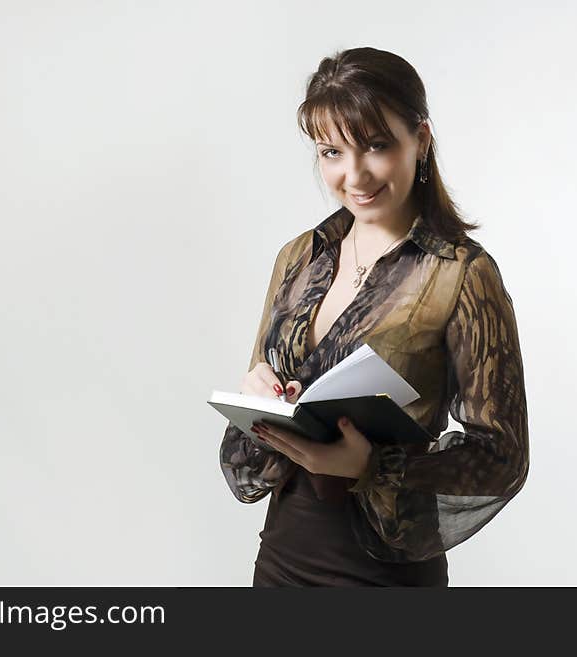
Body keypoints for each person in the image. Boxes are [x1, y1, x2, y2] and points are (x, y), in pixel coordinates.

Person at [219, 47, 530, 587]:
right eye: (331, 152)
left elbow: (502, 456)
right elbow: (258, 427)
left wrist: (371, 468)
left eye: (376, 146)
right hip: (282, 562)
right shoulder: (299, 256)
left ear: (422, 140)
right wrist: (258, 398)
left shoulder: (462, 274)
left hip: (384, 577)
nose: (354, 174)